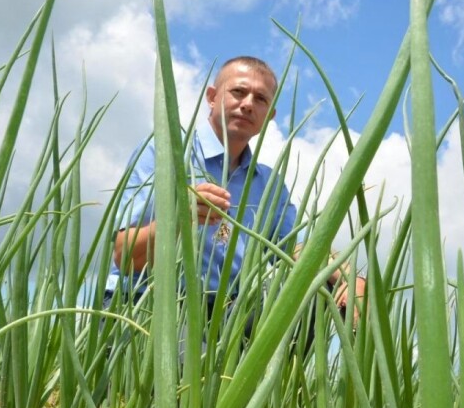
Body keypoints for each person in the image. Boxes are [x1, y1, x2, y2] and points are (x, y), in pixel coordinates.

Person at [106, 56, 365, 338]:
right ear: (212, 97)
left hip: (227, 315)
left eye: (260, 99)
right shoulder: (166, 152)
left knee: (318, 287)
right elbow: (125, 255)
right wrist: (181, 218)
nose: (248, 104)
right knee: (190, 375)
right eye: (238, 92)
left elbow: (296, 247)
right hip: (150, 304)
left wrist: (350, 276)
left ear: (269, 115)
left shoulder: (268, 183)